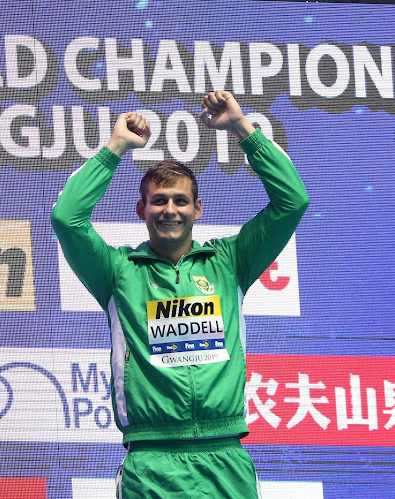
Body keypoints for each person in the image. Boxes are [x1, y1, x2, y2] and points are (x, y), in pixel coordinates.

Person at [50, 91, 308, 498]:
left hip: (225, 457)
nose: (170, 209)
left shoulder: (231, 261)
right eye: (159, 201)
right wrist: (116, 147)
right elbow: (67, 217)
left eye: (180, 200)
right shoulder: (116, 272)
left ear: (198, 209)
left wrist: (242, 128)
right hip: (151, 462)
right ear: (142, 210)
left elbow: (292, 201)